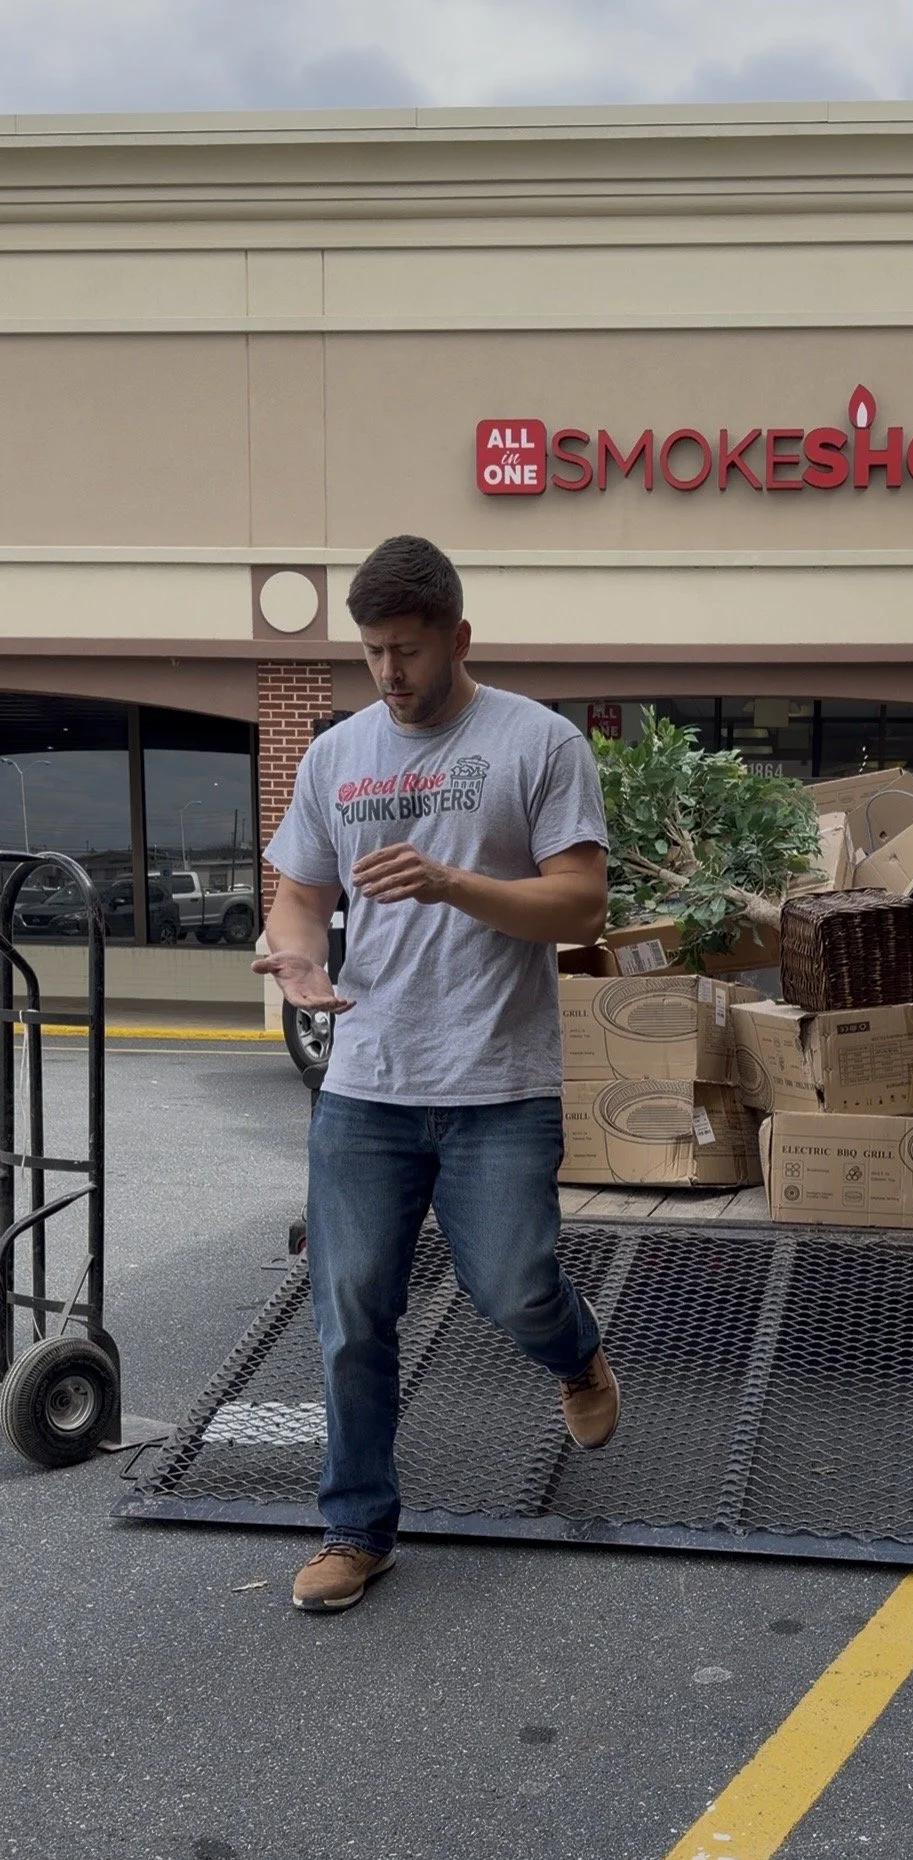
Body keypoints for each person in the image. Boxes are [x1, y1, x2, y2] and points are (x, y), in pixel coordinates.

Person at [254, 535, 618, 1614]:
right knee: (350, 1305)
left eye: (409, 651)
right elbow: (298, 894)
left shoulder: (538, 743)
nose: (391, 675)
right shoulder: (336, 755)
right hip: (368, 1079)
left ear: (459, 637)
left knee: (512, 1287)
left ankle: (579, 1355)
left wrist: (456, 884)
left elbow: (581, 905)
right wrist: (300, 961)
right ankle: (355, 1526)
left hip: (498, 1078)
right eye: (372, 653)